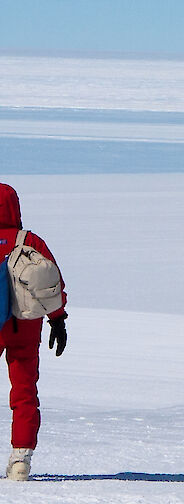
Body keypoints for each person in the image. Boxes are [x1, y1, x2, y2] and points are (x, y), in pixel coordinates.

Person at [0, 183, 69, 480]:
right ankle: (21, 460)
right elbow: (52, 283)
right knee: (25, 390)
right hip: (26, 325)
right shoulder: (29, 240)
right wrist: (58, 319)